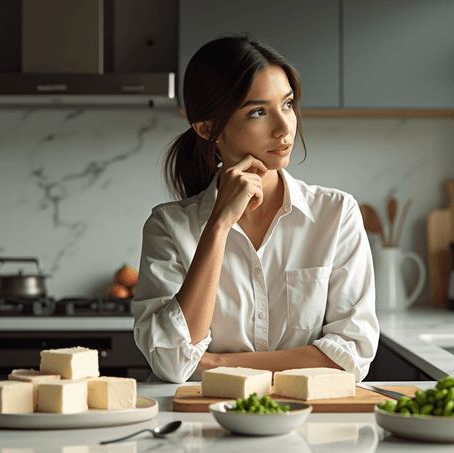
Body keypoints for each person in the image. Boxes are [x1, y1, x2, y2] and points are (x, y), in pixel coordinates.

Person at [132, 35, 379, 383]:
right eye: (258, 112)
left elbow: (352, 354)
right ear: (206, 128)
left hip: (307, 421)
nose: (284, 127)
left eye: (288, 104)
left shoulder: (336, 214)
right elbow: (173, 364)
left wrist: (216, 364)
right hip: (204, 426)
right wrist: (218, 225)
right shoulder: (168, 226)